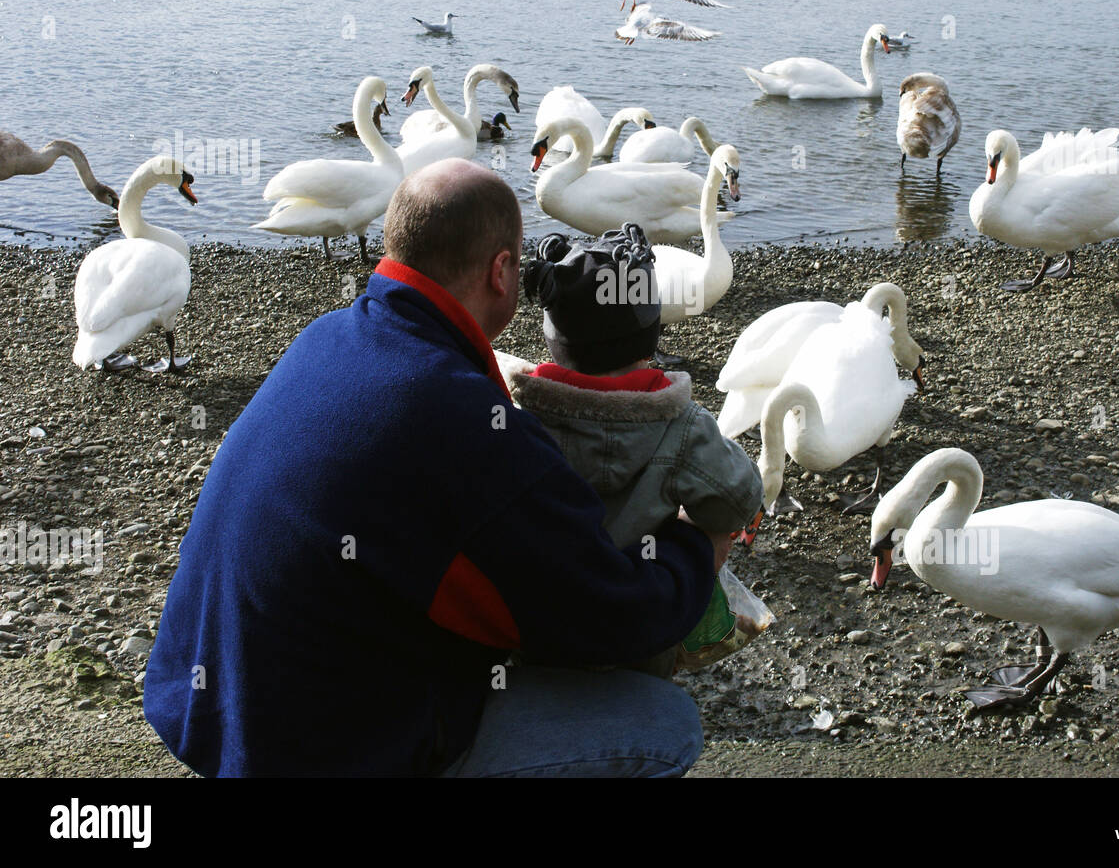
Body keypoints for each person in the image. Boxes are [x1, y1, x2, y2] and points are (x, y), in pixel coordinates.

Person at [143, 159, 730, 777]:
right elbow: (612, 615)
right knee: (663, 726)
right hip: (305, 753)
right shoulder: (455, 413)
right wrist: (698, 543)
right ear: (500, 271)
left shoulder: (328, 336)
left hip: (206, 708)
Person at [503, 224, 765, 676]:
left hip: (536, 638)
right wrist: (693, 531)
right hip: (643, 641)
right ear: (650, 337)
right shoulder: (682, 426)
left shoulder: (516, 420)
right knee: (706, 528)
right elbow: (740, 498)